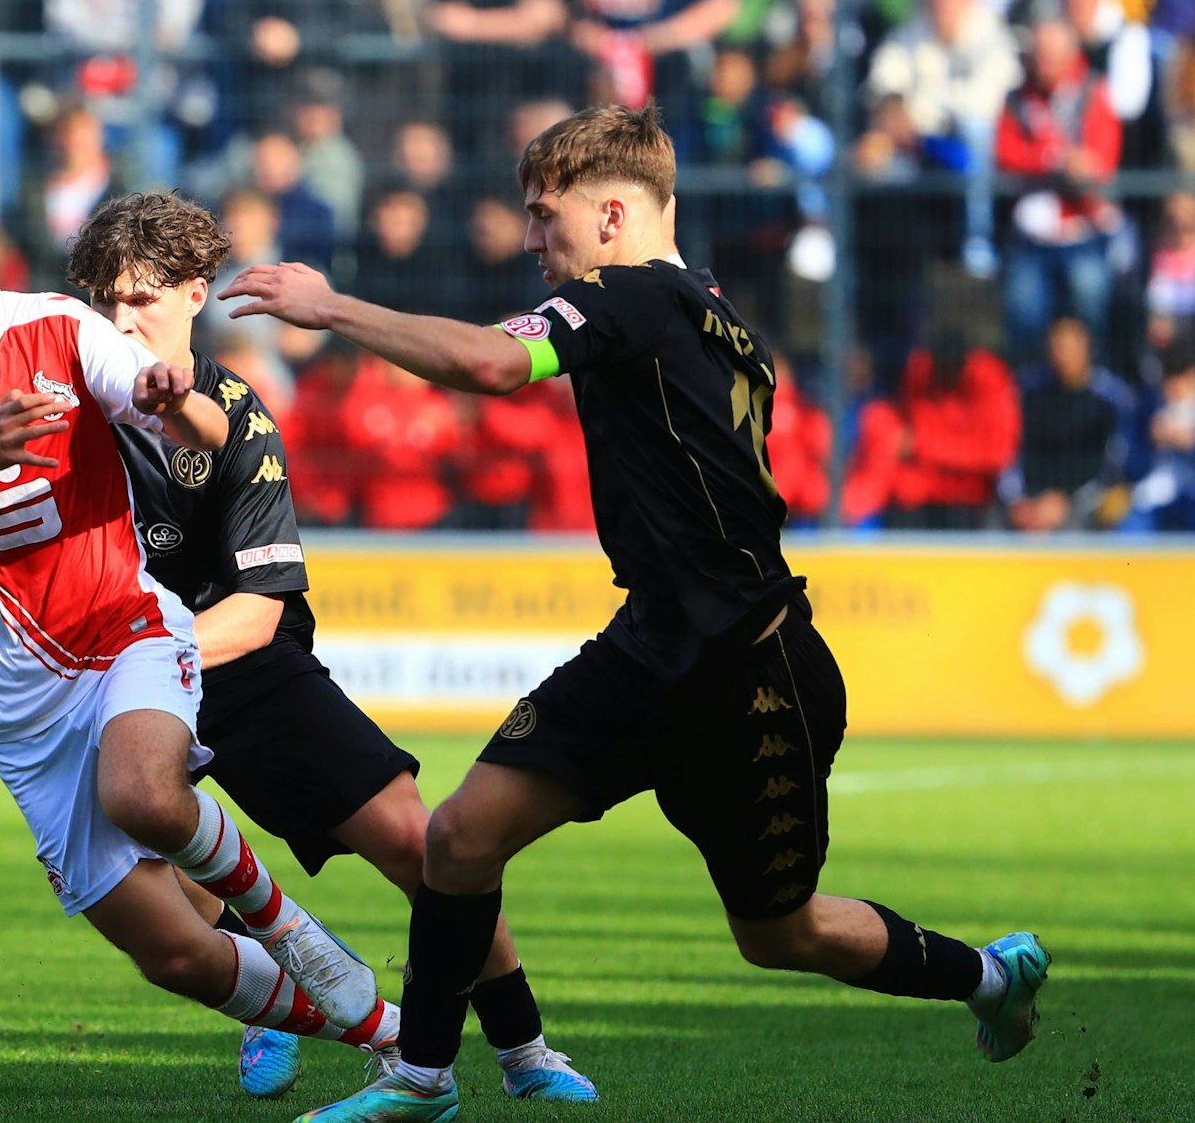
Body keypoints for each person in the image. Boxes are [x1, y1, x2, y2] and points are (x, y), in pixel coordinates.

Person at [221, 104, 1051, 1122]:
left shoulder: (633, 296)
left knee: (778, 933)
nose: (531, 241)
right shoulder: (710, 313)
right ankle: (423, 1077)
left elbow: (490, 365)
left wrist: (331, 305)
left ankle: (992, 978)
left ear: (611, 214)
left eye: (542, 215)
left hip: (749, 669)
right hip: (652, 644)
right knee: (461, 837)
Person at [0, 139, 392, 1073]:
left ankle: (292, 929)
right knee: (173, 955)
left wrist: (176, 398)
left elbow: (202, 428)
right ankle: (393, 1035)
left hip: (125, 627)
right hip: (16, 706)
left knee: (142, 794)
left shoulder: (57, 327)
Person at [67, 189, 597, 1103]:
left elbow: (260, 610)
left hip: (237, 658)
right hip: (111, 677)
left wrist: (144, 654)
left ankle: (523, 1048)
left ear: (197, 293)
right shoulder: (65, 408)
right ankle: (280, 1005)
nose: (121, 319)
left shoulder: (237, 410)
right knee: (176, 911)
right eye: (105, 301)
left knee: (419, 843)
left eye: (142, 297)